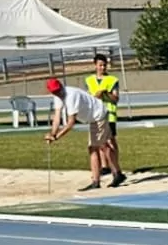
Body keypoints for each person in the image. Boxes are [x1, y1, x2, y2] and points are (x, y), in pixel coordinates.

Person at [44, 77, 118, 190]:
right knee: (94, 148)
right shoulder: (57, 97)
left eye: (58, 90)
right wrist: (52, 133)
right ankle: (97, 181)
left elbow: (71, 123)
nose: (57, 93)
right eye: (54, 92)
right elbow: (57, 116)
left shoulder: (71, 96)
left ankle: (116, 174)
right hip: (92, 118)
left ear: (61, 86)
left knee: (101, 146)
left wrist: (57, 137)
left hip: (99, 114)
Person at [83, 54, 127, 186]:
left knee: (109, 141)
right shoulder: (89, 80)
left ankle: (115, 167)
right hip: (95, 115)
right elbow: (87, 97)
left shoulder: (112, 80)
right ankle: (105, 166)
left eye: (104, 65)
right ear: (95, 65)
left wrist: (105, 94)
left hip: (109, 114)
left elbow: (116, 98)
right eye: (100, 65)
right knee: (100, 143)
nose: (102, 67)